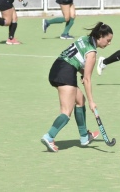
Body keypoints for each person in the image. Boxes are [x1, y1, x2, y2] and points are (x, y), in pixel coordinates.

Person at [41, 22, 114, 152]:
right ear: (100, 36)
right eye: (108, 40)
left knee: (80, 100)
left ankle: (84, 136)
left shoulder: (84, 39)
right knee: (66, 112)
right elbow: (87, 79)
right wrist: (92, 102)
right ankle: (49, 136)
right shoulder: (92, 52)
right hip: (66, 73)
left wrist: (81, 73)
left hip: (57, 68)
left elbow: (77, 59)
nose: (109, 43)